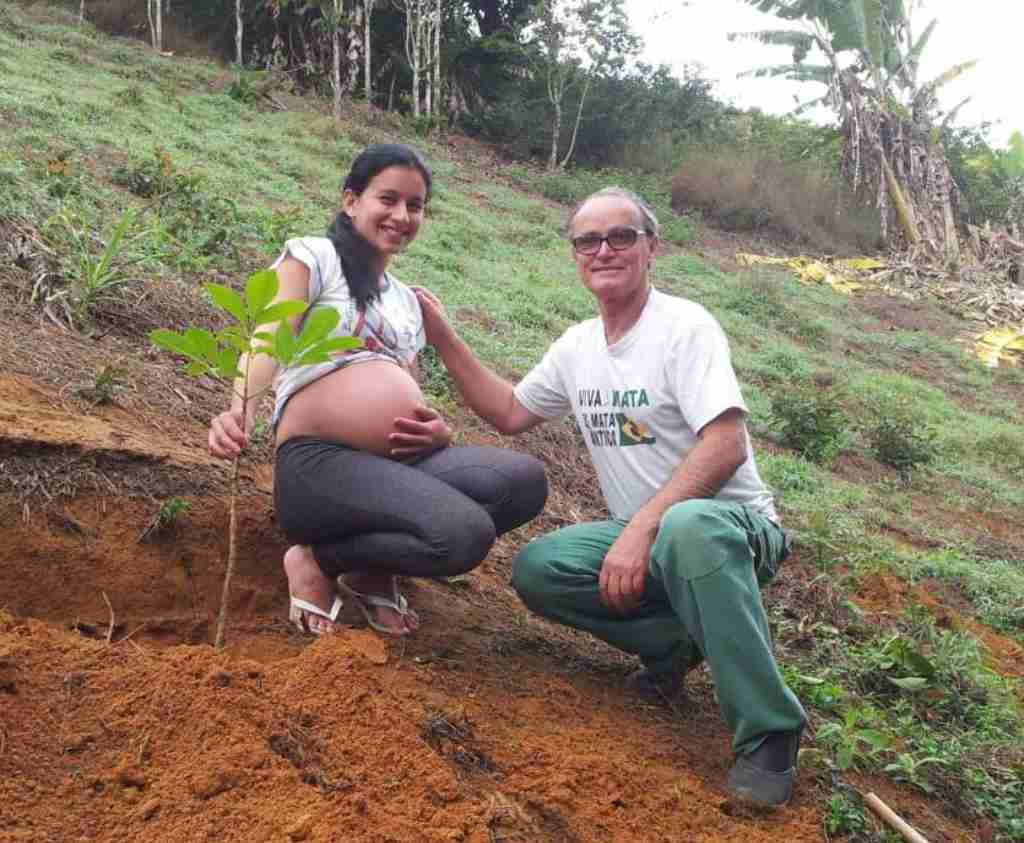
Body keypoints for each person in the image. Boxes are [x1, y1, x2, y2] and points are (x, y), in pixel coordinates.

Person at [414, 186, 807, 807]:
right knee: (540, 569)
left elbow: (726, 444)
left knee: (689, 528)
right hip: (651, 538)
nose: (604, 250)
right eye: (587, 241)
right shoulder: (578, 347)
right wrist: (443, 337)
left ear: (651, 247)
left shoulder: (684, 328)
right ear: (575, 255)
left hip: (731, 530)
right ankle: (672, 644)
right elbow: (510, 412)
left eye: (621, 236)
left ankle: (771, 733)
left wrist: (643, 526)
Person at [207, 143, 547, 637]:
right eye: (387, 199)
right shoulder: (314, 256)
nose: (402, 215)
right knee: (462, 536)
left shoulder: (409, 301)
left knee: (522, 481)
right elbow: (268, 337)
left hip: (395, 465)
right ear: (351, 200)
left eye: (415, 205)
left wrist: (437, 429)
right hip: (319, 466)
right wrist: (240, 409)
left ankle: (369, 569)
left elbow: (404, 388)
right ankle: (317, 560)